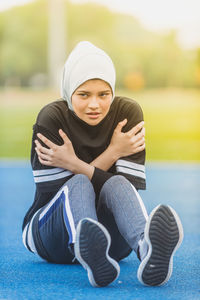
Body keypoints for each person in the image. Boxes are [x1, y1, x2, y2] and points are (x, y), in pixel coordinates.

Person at [22, 41, 183, 287]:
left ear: (113, 92)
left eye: (103, 94)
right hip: (51, 237)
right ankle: (88, 248)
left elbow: (127, 190)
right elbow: (60, 194)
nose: (94, 104)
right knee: (78, 184)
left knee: (117, 183)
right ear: (69, 92)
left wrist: (73, 162)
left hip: (115, 246)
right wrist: (114, 152)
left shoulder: (127, 113)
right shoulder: (51, 117)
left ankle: (146, 249)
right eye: (84, 95)